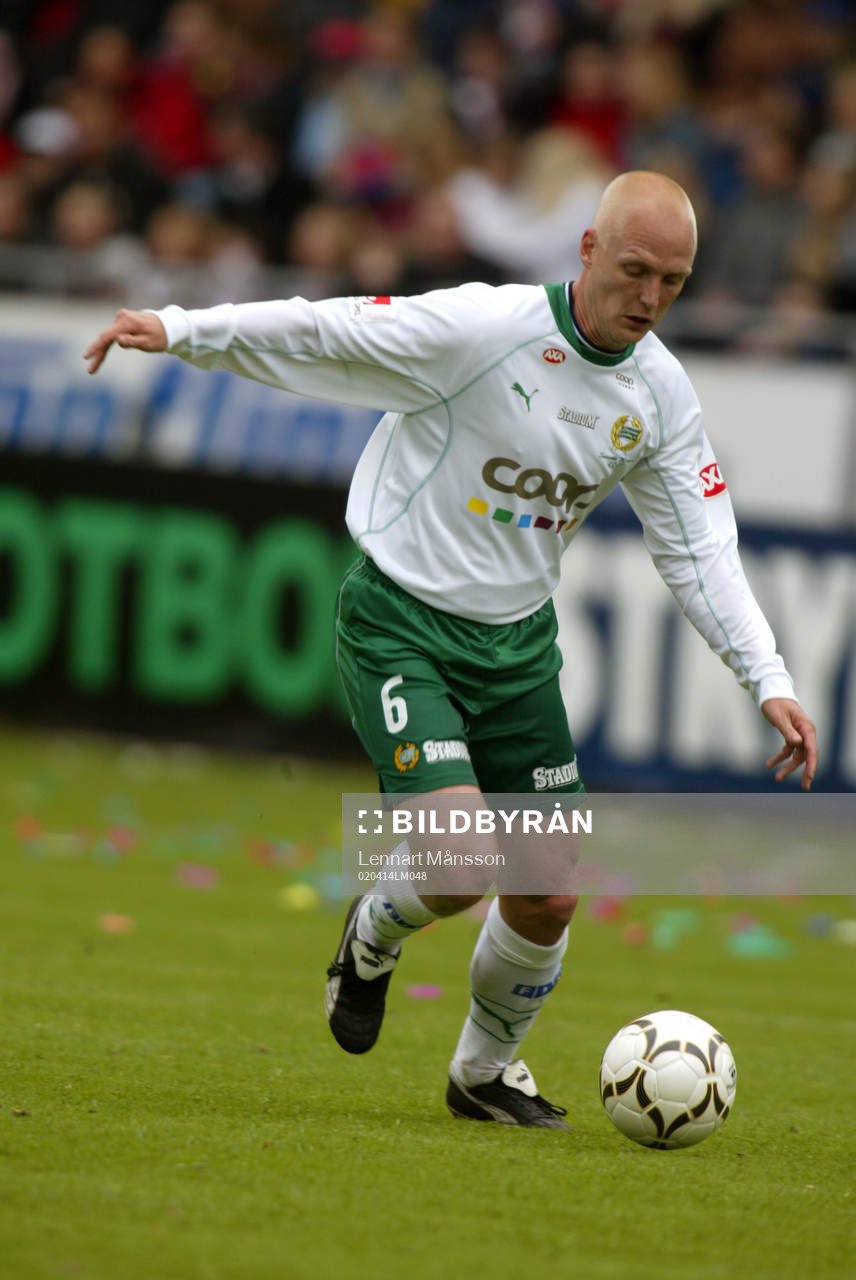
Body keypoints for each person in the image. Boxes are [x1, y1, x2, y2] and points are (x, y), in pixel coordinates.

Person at [84, 171, 818, 1130]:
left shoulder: (658, 395)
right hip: (400, 620)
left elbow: (700, 547)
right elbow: (329, 329)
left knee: (549, 893)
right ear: (587, 251)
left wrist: (766, 676)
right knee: (461, 859)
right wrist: (183, 328)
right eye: (634, 270)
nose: (648, 298)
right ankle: (373, 932)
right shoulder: (483, 330)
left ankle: (483, 1073)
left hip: (517, 648)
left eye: (672, 282)